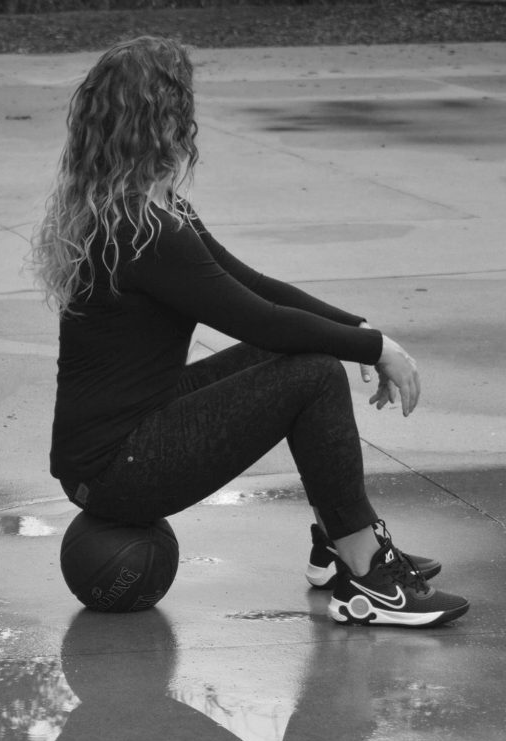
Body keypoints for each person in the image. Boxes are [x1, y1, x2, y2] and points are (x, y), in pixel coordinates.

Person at [31, 36, 468, 628]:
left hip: (124, 438)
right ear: (163, 121)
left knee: (301, 349)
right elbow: (257, 317)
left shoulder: (146, 212)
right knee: (312, 373)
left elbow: (255, 287)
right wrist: (377, 350)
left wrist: (357, 327)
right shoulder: (142, 229)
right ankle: (368, 577)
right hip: (115, 470)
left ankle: (340, 544)